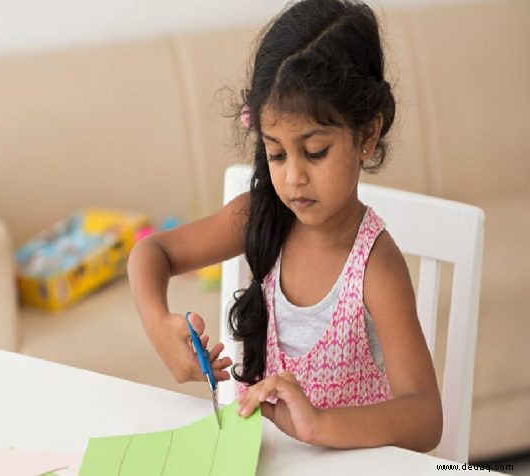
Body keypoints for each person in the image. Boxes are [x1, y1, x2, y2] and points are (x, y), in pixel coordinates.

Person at [127, 0, 442, 452]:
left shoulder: (374, 264)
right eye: (277, 153)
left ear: (367, 137)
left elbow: (425, 417)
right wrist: (159, 324)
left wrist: (318, 426)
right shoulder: (259, 216)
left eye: (314, 152)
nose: (293, 177)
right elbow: (150, 253)